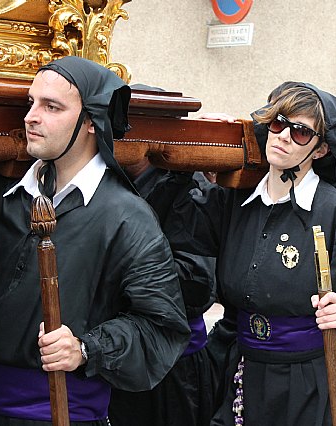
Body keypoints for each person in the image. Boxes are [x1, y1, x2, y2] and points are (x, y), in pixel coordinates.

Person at [155, 83, 336, 425]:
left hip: (310, 386)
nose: (284, 136)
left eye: (302, 131)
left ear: (321, 149)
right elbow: (169, 221)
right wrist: (191, 152)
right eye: (277, 123)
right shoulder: (236, 202)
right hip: (242, 375)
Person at [0, 56, 190, 425]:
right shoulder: (0, 194)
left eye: (52, 107)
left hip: (58, 416)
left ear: (92, 122)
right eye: (30, 103)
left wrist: (85, 347)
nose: (31, 116)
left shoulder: (126, 217)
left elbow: (162, 329)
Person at [109, 155, 218, 426]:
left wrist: (118, 270)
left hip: (174, 370)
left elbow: (197, 286)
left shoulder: (190, 187)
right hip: (115, 358)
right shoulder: (107, 181)